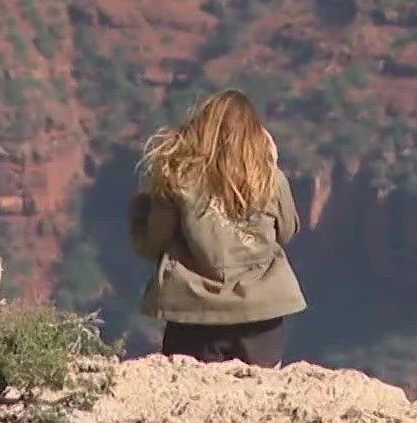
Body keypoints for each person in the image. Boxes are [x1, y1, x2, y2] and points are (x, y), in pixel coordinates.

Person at [129, 89, 305, 367]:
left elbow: (152, 244)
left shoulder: (176, 179)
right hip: (260, 315)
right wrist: (272, 164)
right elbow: (287, 231)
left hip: (194, 315)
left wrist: (145, 203)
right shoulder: (271, 179)